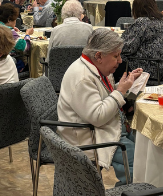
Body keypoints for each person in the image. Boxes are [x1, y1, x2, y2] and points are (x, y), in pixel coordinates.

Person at [57, 29, 143, 185]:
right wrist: (120, 91)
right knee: (139, 163)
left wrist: (125, 86)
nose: (120, 61)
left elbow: (101, 96)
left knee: (144, 144)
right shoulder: (82, 77)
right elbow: (97, 116)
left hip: (103, 127)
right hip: (90, 136)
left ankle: (129, 190)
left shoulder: (92, 66)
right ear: (99, 56)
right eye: (116, 56)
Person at [121, 0, 163, 79]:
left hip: (147, 68)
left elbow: (127, 48)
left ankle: (110, 86)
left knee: (113, 58)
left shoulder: (142, 22)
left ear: (136, 8)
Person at [0, 3, 33, 72]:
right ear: (9, 19)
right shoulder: (9, 32)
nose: (15, 22)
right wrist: (27, 34)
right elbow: (25, 48)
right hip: (10, 64)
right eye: (15, 19)